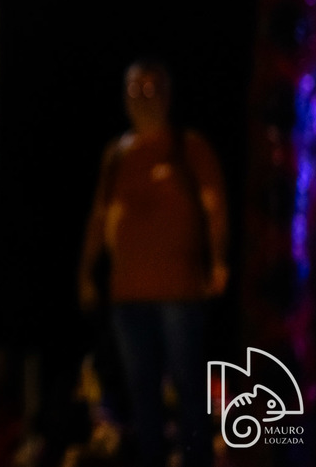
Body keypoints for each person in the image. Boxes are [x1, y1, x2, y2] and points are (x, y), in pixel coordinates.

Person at [78, 61, 228, 467]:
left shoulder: (188, 146)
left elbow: (214, 206)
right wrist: (86, 272)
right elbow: (99, 215)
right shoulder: (117, 154)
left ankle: (197, 460)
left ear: (168, 95)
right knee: (140, 389)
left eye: (152, 90)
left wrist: (218, 260)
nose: (144, 99)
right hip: (128, 294)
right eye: (135, 91)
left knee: (188, 385)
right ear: (124, 97)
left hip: (179, 291)